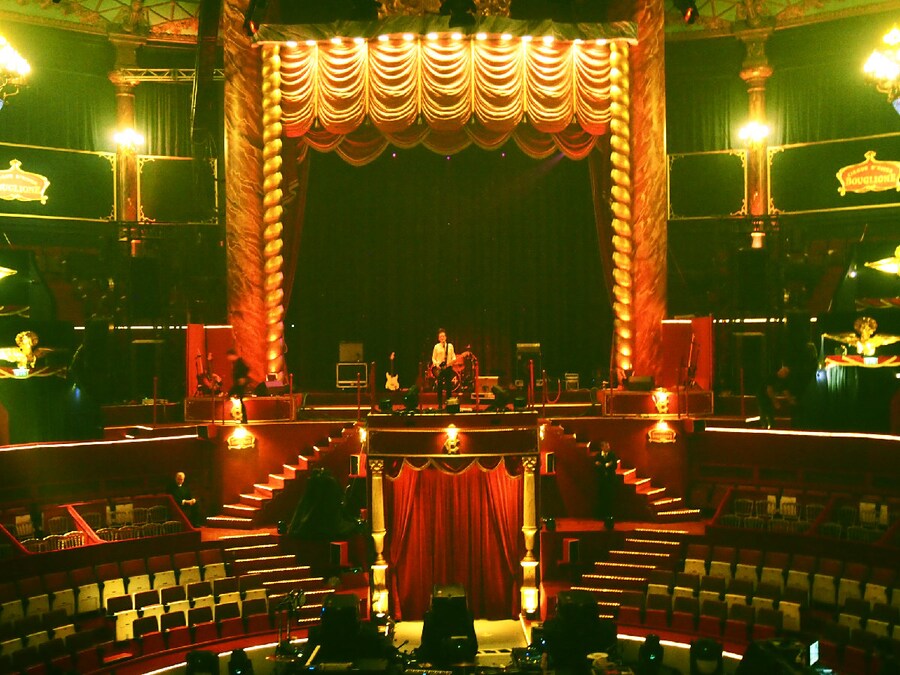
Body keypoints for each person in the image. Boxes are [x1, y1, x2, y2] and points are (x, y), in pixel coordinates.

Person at [593, 440, 618, 530]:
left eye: (608, 446)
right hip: (602, 482)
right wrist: (607, 464)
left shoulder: (612, 455)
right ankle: (602, 516)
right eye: (606, 446)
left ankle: (611, 516)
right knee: (602, 498)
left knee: (611, 499)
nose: (608, 448)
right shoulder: (598, 456)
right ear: (602, 447)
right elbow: (595, 466)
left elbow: (614, 465)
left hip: (611, 481)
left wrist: (602, 465)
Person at [431, 328, 456, 409]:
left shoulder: (450, 346)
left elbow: (454, 357)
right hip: (439, 368)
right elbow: (433, 358)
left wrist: (451, 362)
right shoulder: (436, 347)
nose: (442, 338)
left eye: (443, 336)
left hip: (448, 368)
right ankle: (440, 404)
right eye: (440, 337)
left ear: (446, 337)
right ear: (438, 338)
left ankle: (449, 403)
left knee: (449, 386)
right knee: (440, 387)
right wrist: (436, 364)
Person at [227, 348, 250, 424]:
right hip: (238, 383)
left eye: (229, 356)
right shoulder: (236, 362)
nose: (228, 358)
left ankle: (244, 418)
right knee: (240, 399)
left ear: (232, 355)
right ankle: (244, 418)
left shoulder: (239, 362)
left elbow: (246, 368)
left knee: (237, 397)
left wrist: (243, 378)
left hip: (240, 383)